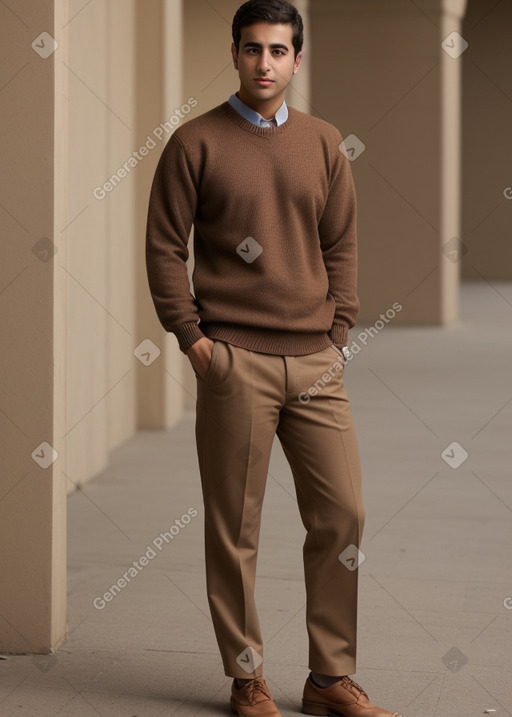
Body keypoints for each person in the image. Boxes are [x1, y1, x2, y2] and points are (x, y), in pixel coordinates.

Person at [145, 1, 399, 716]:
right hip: (234, 360)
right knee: (236, 527)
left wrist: (340, 326)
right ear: (234, 54)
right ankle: (246, 674)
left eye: (278, 50)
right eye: (252, 49)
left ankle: (328, 678)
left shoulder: (323, 143)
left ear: (297, 59)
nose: (264, 63)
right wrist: (194, 340)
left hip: (315, 360)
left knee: (343, 513)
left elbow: (340, 242)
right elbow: (165, 247)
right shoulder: (194, 143)